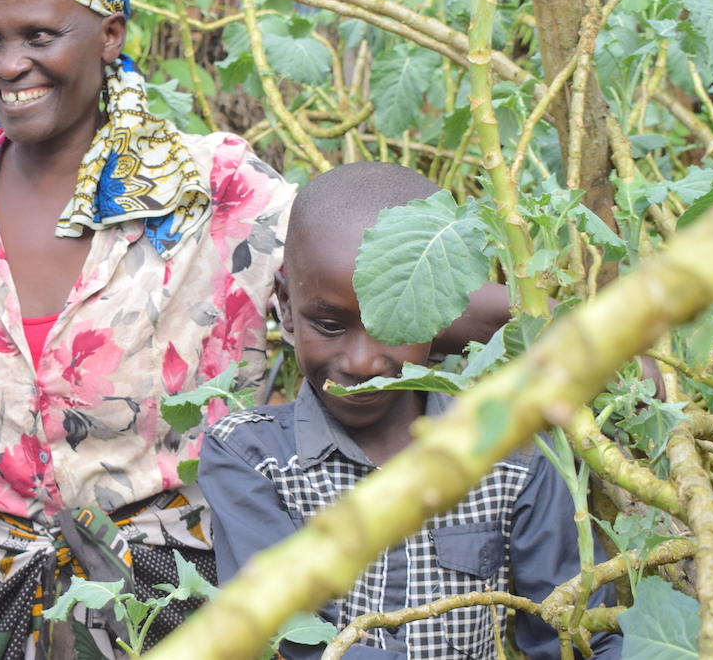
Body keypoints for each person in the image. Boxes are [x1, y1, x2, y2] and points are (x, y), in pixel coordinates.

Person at [0, 0, 509, 660]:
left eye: (39, 36)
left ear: (109, 36)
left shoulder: (212, 189)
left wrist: (545, 326)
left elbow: (368, 281)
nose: (10, 65)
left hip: (170, 586)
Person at [199, 162, 622, 660]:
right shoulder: (250, 458)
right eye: (330, 325)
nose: (362, 362)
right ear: (286, 307)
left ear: (440, 315)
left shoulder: (518, 454)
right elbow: (285, 634)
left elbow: (573, 636)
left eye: (393, 323)